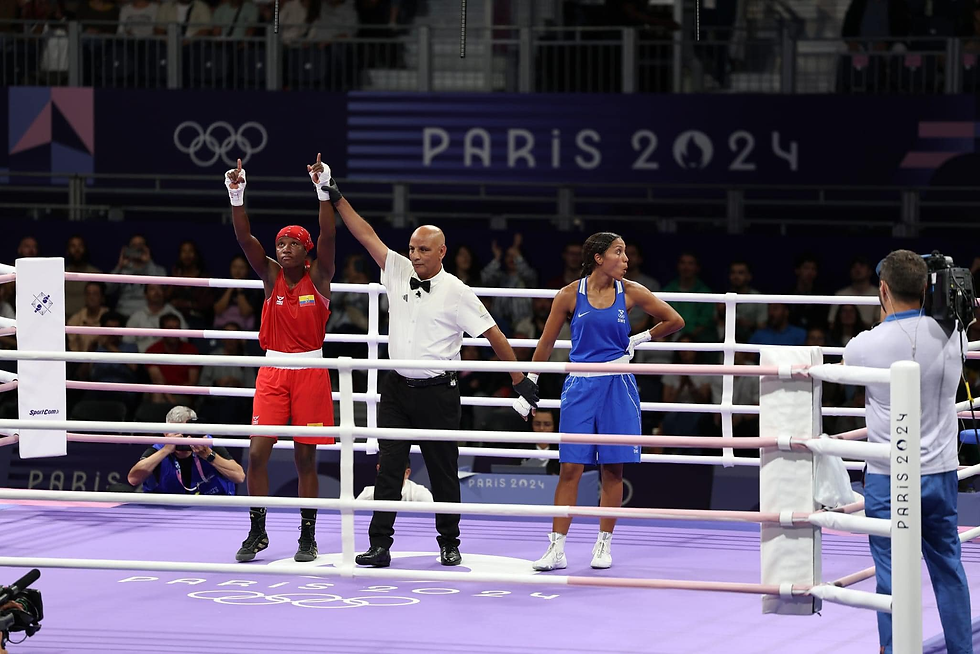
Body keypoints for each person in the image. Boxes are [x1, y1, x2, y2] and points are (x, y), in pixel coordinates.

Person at [314, 167, 540, 568]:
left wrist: (519, 379)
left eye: (422, 249)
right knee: (388, 470)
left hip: (438, 393)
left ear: (441, 252)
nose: (415, 255)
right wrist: (336, 196)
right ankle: (380, 545)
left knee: (443, 471)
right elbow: (366, 234)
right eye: (412, 248)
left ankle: (449, 542)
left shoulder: (457, 291)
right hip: (397, 390)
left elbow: (493, 333)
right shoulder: (397, 270)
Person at [517, 232, 684, 571]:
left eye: (625, 253)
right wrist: (529, 381)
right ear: (598, 258)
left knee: (612, 468)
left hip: (618, 386)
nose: (626, 259)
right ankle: (556, 548)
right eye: (618, 252)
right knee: (570, 469)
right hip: (580, 385)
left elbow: (674, 320)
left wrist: (641, 337)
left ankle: (604, 544)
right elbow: (546, 342)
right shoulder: (568, 295)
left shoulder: (631, 291)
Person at [844, 249, 971, 654]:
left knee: (891, 574)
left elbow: (849, 368)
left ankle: (895, 648)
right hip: (940, 473)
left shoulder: (865, 345)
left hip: (889, 477)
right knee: (948, 568)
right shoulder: (954, 334)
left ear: (883, 289)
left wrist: (887, 316)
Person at [224, 153, 336, 564]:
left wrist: (322, 190)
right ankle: (257, 531)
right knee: (256, 454)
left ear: (305, 250)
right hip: (272, 370)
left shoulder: (319, 276)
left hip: (310, 371)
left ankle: (308, 536)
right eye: (280, 244)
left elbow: (328, 235)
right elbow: (244, 239)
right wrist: (237, 194)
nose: (284, 249)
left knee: (306, 457)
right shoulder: (270, 276)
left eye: (292, 244)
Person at [127, 406, 244, 494]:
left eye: (186, 432)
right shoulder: (159, 449)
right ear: (166, 433)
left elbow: (239, 476)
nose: (183, 438)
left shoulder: (207, 445)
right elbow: (133, 479)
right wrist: (165, 451)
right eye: (177, 433)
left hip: (211, 509)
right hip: (168, 512)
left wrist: (209, 455)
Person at [356, 466, 433, 502]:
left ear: (407, 473)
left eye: (396, 470)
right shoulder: (368, 494)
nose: (391, 474)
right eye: (387, 469)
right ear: (378, 469)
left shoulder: (420, 494)